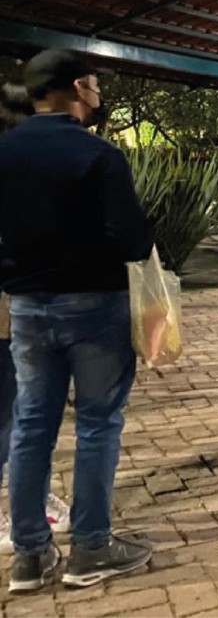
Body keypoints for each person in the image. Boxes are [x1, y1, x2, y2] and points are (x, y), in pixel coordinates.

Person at [0, 50, 156, 592]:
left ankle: (29, 555)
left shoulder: (4, 150)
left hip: (26, 308)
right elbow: (133, 238)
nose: (96, 94)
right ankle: (91, 548)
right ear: (74, 88)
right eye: (91, 85)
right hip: (94, 306)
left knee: (31, 427)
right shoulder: (98, 154)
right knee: (97, 424)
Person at [0, 83, 72, 556]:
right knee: (18, 414)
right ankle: (21, 516)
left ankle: (26, 505)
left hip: (18, 308)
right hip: (13, 309)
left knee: (20, 413)